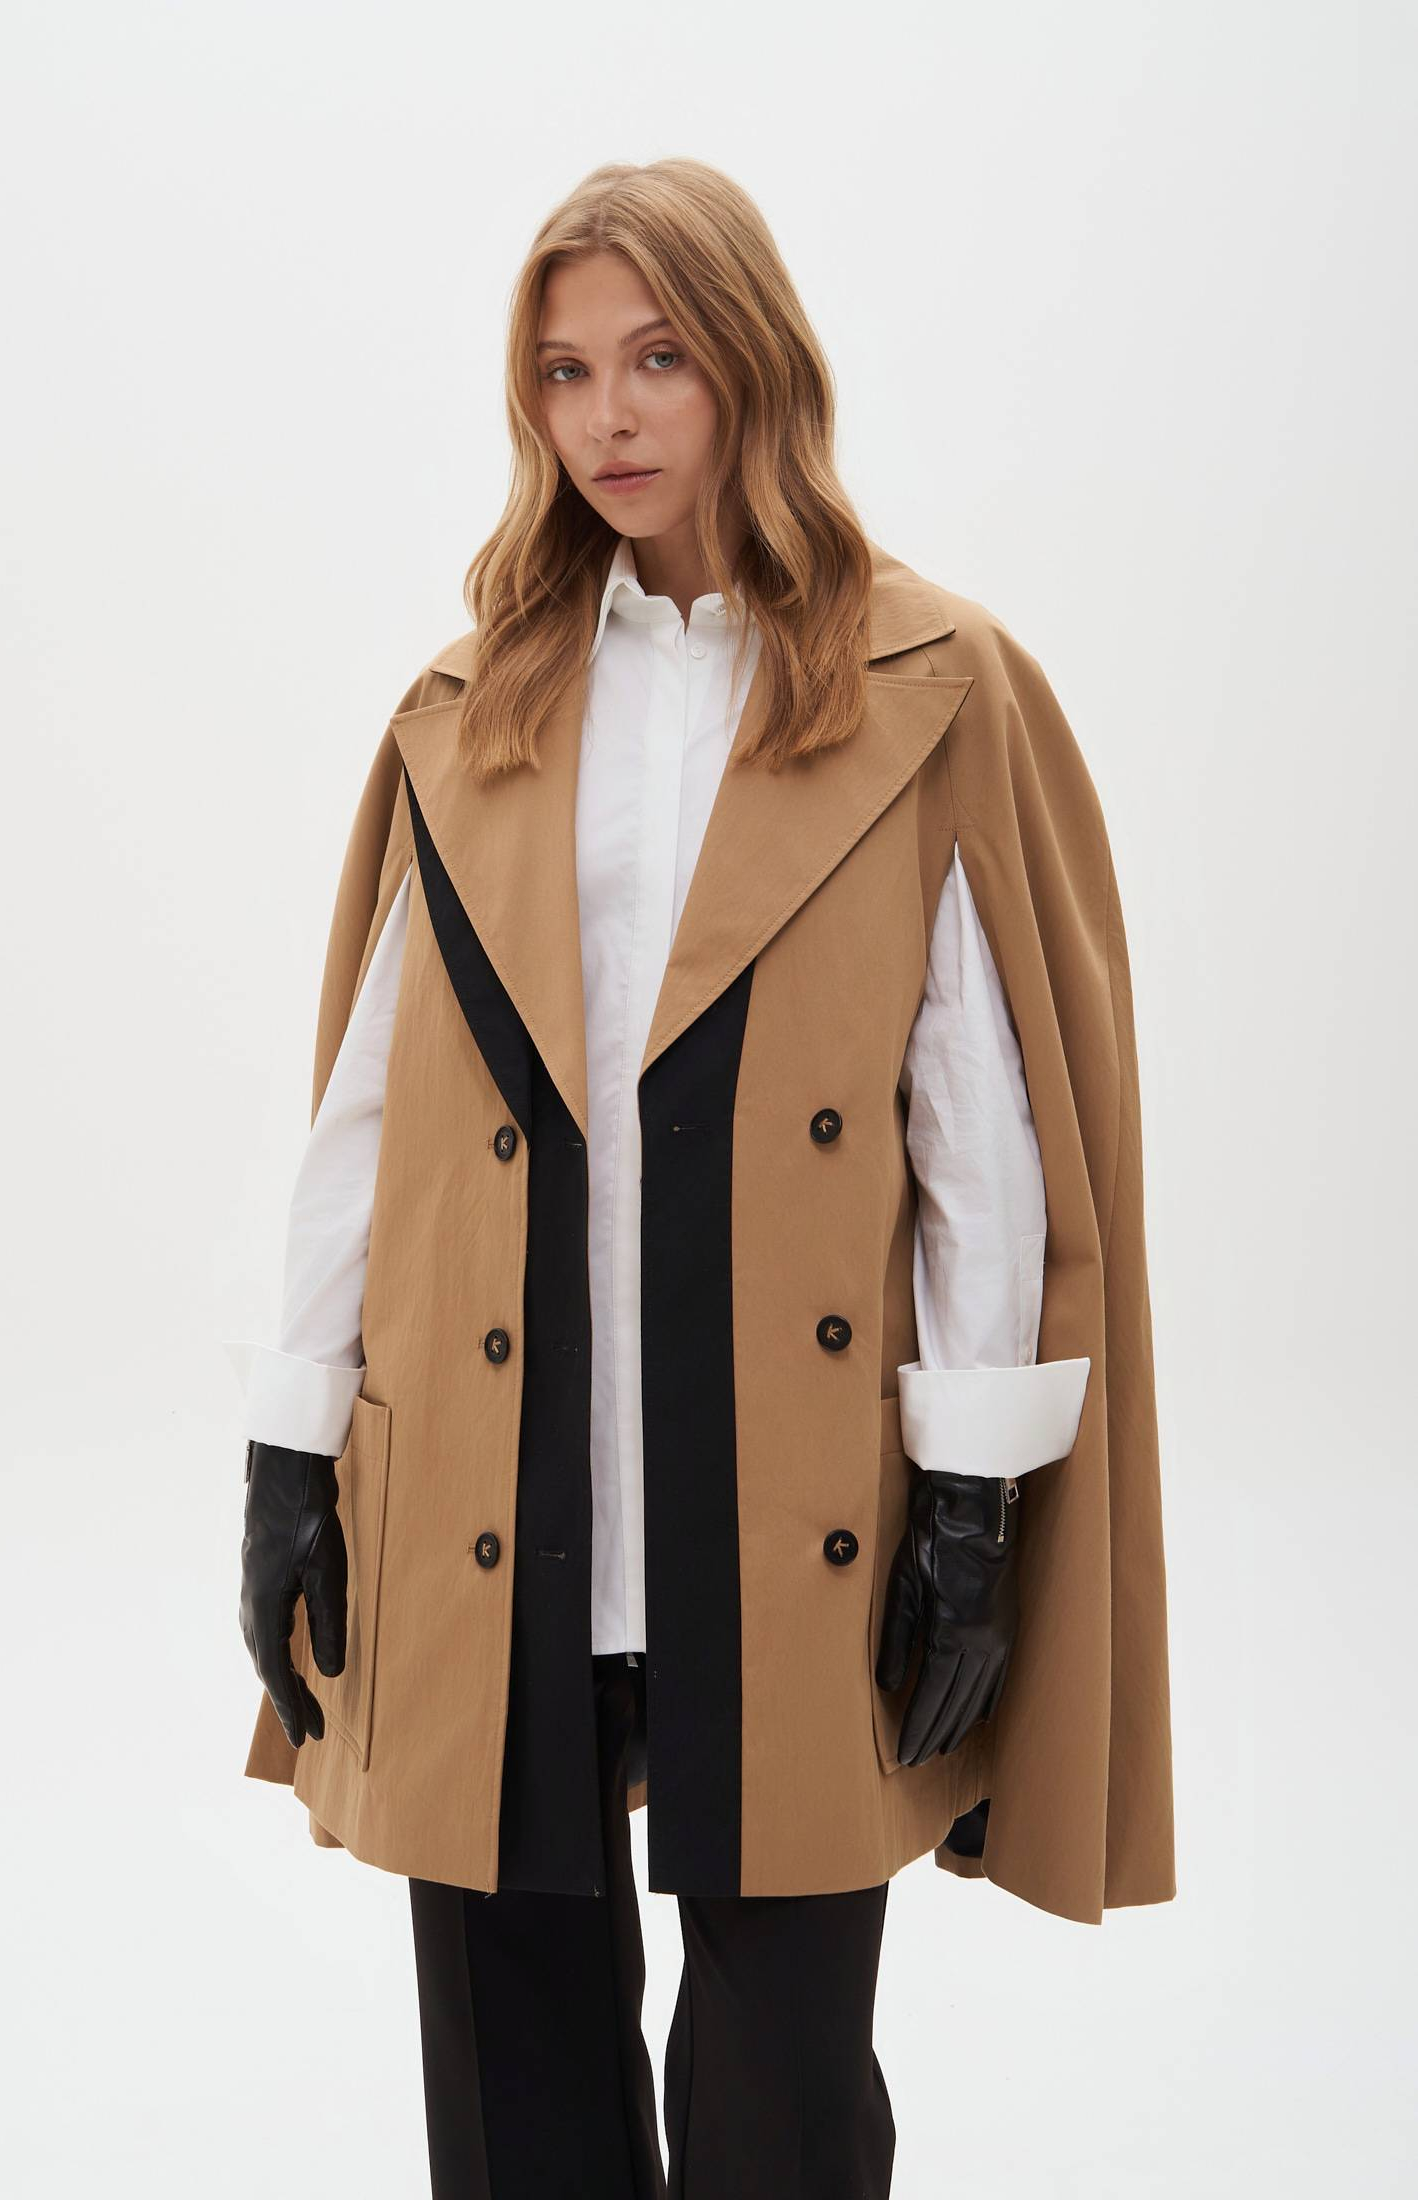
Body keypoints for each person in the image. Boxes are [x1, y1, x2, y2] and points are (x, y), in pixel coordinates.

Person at [232, 157, 1175, 2199]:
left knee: (783, 2094)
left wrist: (973, 1501)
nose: (611, 415)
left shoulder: (928, 686)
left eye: (658, 356)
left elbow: (980, 1128)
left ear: (755, 360)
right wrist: (291, 1446)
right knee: (513, 2069)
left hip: (791, 1492)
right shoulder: (475, 703)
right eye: (565, 371)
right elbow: (373, 1104)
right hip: (498, 1468)